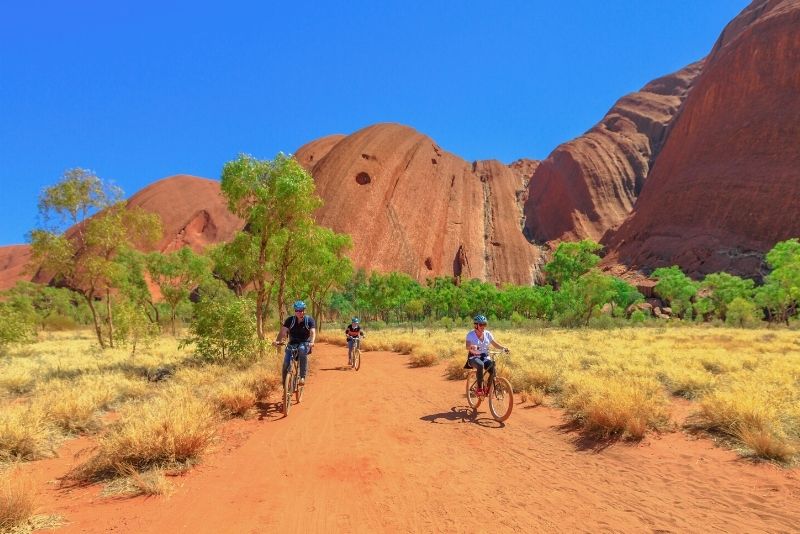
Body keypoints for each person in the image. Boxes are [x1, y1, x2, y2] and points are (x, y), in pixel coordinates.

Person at [464, 314, 508, 396]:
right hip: (473, 357)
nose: (483, 326)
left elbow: (495, 344)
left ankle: (488, 389)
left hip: (484, 356)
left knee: (493, 369)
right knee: (480, 365)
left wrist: (503, 348)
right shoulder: (470, 335)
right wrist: (472, 346)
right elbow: (467, 346)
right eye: (481, 324)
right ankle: (479, 388)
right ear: (476, 325)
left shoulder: (487, 334)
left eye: (485, 324)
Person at [274, 300, 316, 386]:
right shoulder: (290, 320)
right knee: (286, 364)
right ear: (295, 311)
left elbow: (312, 332)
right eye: (297, 310)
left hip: (305, 343)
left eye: (301, 310)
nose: (299, 312)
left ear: (304, 310)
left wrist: (312, 341)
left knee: (301, 349)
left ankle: (302, 377)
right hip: (292, 343)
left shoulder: (309, 320)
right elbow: (283, 331)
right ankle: (285, 386)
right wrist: (278, 341)